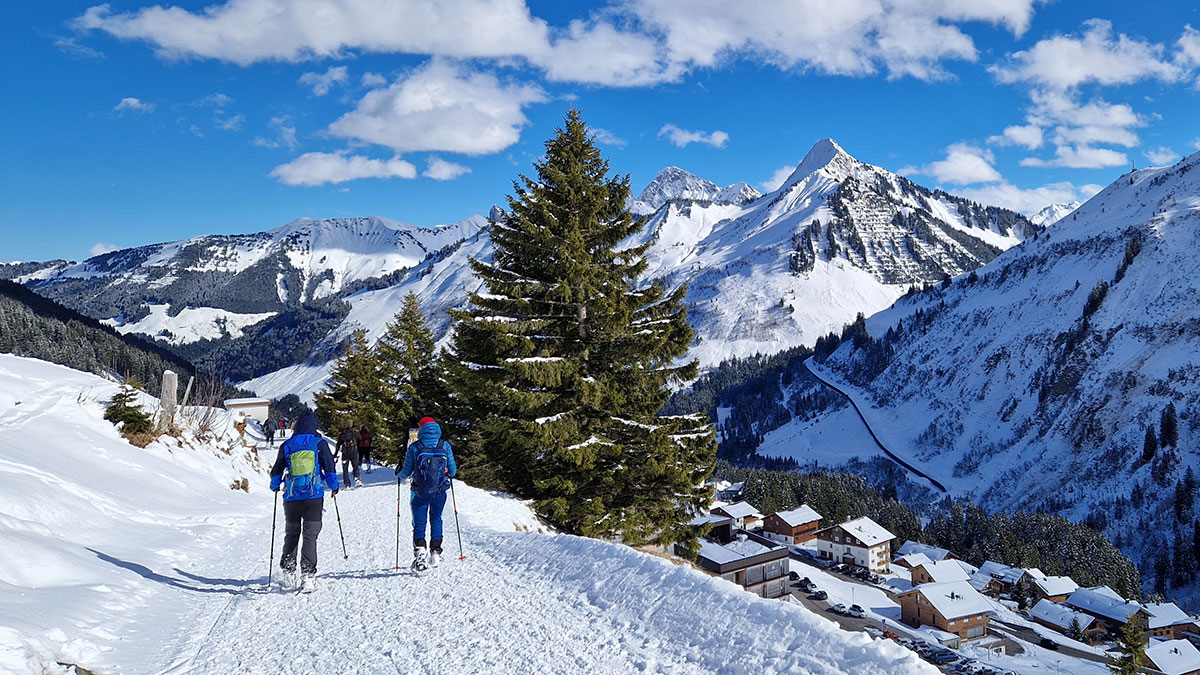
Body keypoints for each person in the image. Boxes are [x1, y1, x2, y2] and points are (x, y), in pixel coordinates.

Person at [269, 412, 338, 591]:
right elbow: (329, 467)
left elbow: (277, 469)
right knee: (310, 535)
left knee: (292, 533)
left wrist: (275, 485)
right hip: (313, 496)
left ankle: (288, 572)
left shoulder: (287, 445)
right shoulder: (319, 443)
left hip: (291, 498)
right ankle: (308, 575)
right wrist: (334, 486)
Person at [396, 417, 456, 570]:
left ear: (421, 428)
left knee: (419, 523)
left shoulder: (415, 447)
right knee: (436, 519)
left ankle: (420, 552)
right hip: (439, 492)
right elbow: (453, 471)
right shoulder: (445, 445)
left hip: (419, 492)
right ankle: (435, 552)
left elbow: (406, 472)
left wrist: (399, 474)